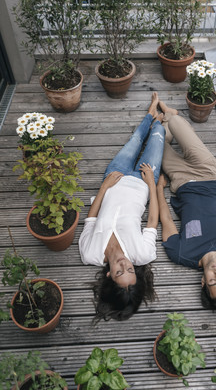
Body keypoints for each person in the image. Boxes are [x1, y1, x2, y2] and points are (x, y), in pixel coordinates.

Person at [79, 92, 165, 321]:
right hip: (142, 183)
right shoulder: (142, 254)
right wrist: (151, 184)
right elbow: (152, 222)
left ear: (109, 275)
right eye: (129, 271)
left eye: (119, 271)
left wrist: (105, 186)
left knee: (135, 140)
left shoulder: (90, 253)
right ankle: (155, 117)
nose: (124, 264)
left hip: (114, 177)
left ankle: (153, 113)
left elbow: (91, 218)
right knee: (158, 133)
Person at [156, 101, 216, 313]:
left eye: (213, 282)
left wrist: (160, 188)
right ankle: (171, 116)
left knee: (154, 140)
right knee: (176, 121)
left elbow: (167, 220)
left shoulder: (181, 253)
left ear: (203, 283)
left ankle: (164, 130)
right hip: (209, 173)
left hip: (180, 180)